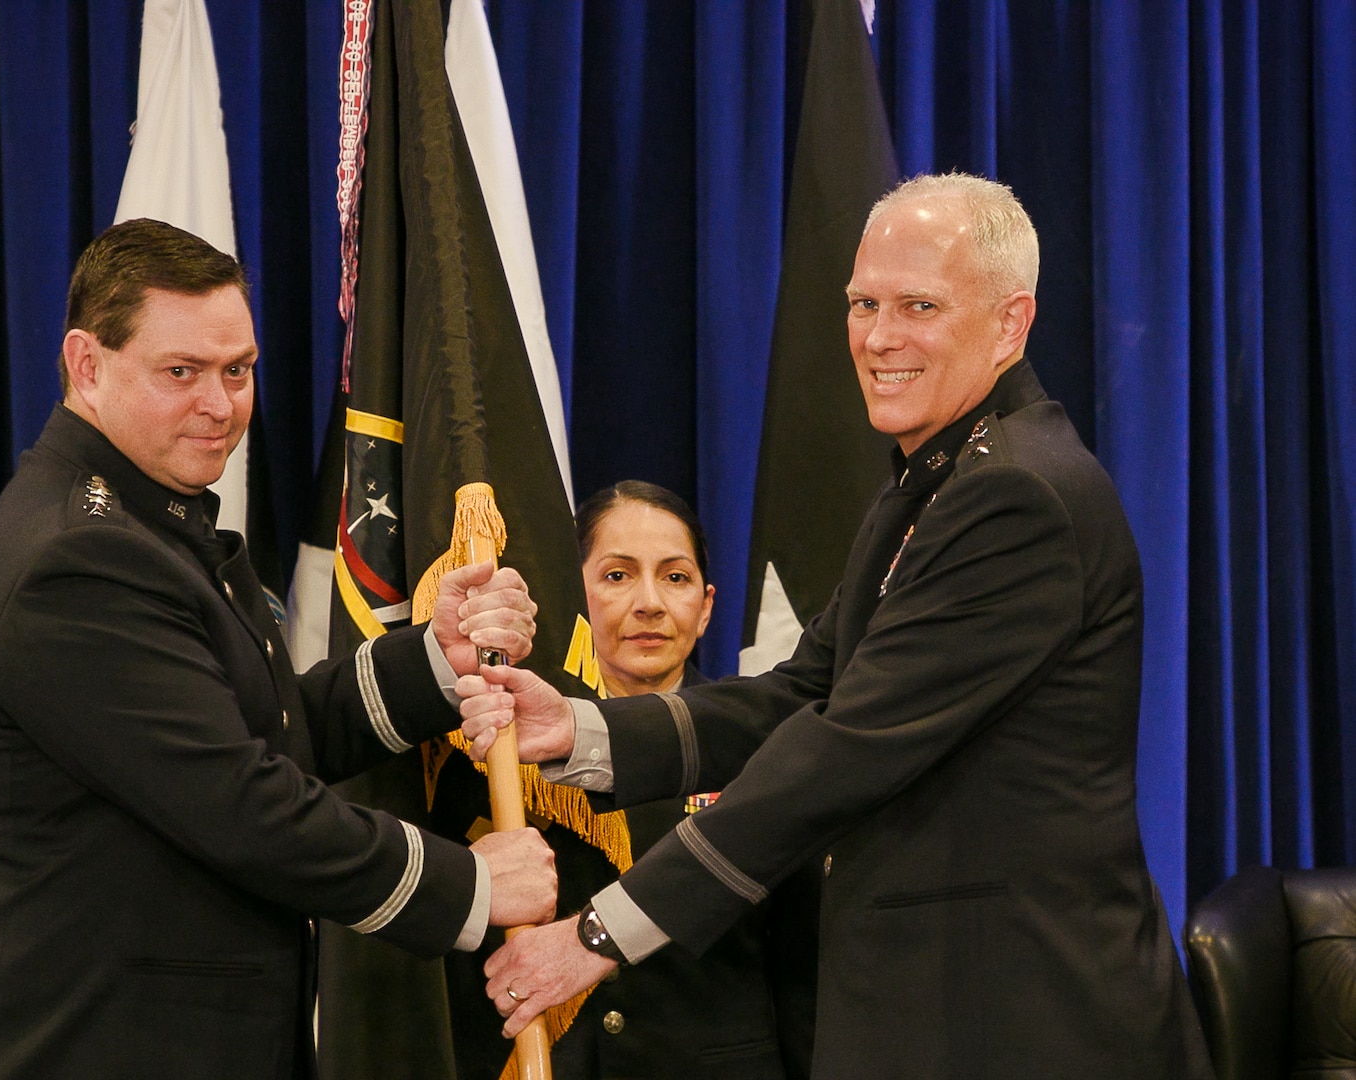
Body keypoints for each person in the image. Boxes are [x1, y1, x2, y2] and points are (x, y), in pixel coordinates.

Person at [458, 174, 1215, 1078]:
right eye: (864, 304)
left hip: (1020, 1022)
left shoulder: (1015, 495)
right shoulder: (931, 484)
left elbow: (842, 748)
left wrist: (597, 935)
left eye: (919, 305)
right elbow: (801, 694)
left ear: (1011, 323)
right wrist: (576, 729)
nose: (880, 337)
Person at [0, 218, 557, 1080]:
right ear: (86, 365)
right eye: (182, 372)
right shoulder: (76, 558)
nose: (221, 405)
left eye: (238, 370)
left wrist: (438, 659)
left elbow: (263, 730)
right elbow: (238, 801)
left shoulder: (142, 522)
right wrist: (467, 886)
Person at [553, 480, 786, 1078]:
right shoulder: (522, 755)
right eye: (617, 575)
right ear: (572, 592)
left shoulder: (763, 744)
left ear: (706, 607)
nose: (650, 603)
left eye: (675, 577)